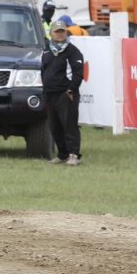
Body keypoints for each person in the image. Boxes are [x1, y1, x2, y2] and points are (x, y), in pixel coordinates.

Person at [42, 22, 84, 166]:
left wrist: (71, 90)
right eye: (57, 31)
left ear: (66, 33)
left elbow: (78, 73)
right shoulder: (47, 51)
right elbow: (43, 71)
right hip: (50, 94)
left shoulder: (73, 51)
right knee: (55, 126)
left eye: (62, 31)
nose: (60, 34)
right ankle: (62, 154)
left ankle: (74, 155)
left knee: (69, 125)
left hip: (65, 93)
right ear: (51, 33)